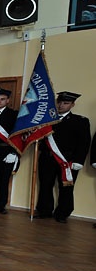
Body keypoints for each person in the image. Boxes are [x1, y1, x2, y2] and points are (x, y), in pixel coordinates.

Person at [35, 91, 91, 223]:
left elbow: (84, 143)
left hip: (67, 160)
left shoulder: (80, 121)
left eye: (65, 103)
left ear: (72, 104)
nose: (61, 105)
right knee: (45, 185)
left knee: (66, 187)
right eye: (59, 102)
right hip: (47, 158)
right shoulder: (47, 119)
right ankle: (44, 210)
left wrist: (79, 160)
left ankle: (62, 213)